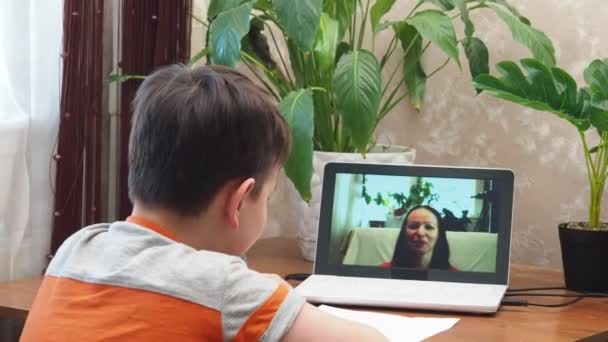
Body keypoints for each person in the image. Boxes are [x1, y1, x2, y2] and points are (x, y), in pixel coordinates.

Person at [21, 65, 386, 341]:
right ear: (239, 201)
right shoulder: (228, 289)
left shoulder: (77, 248)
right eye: (269, 198)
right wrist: (273, 299)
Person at [381, 205, 456, 270]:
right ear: (404, 232)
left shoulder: (455, 277)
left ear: (439, 234)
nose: (420, 233)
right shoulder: (383, 272)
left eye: (429, 227)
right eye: (413, 226)